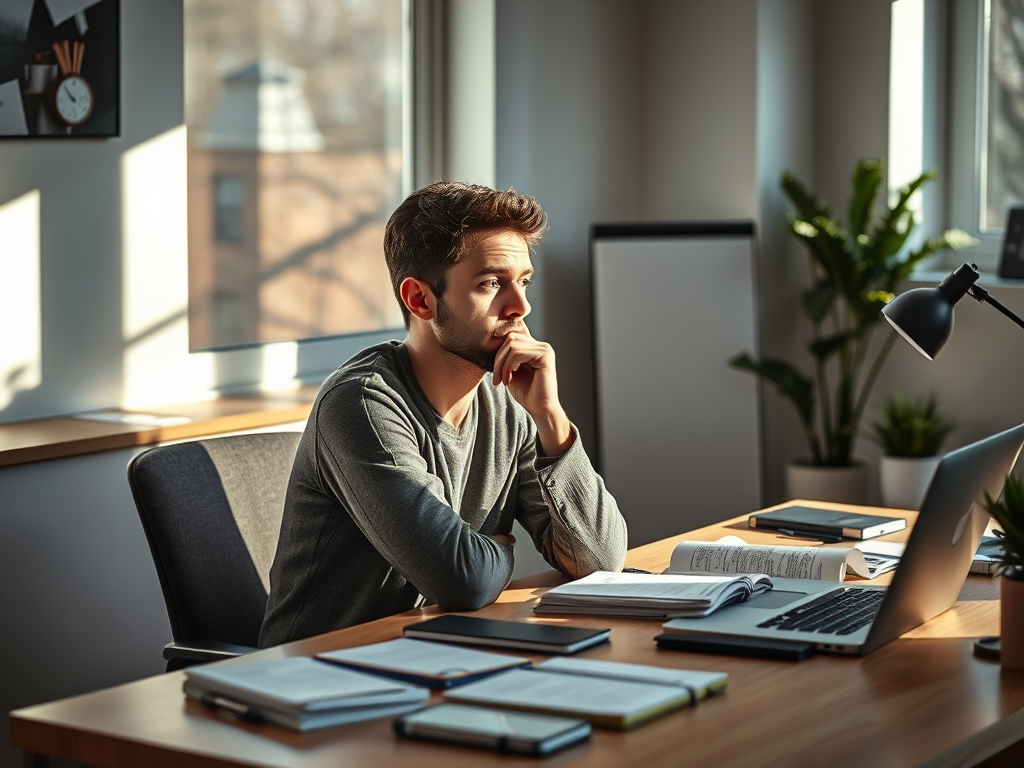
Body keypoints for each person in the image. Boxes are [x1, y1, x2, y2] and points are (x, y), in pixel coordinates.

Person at [258, 181, 627, 647]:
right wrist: (498, 549)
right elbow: (464, 581)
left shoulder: (509, 401)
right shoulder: (362, 405)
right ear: (420, 300)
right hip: (324, 679)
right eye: (491, 284)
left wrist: (550, 417)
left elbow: (600, 558)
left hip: (442, 655)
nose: (521, 306)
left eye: (524, 281)